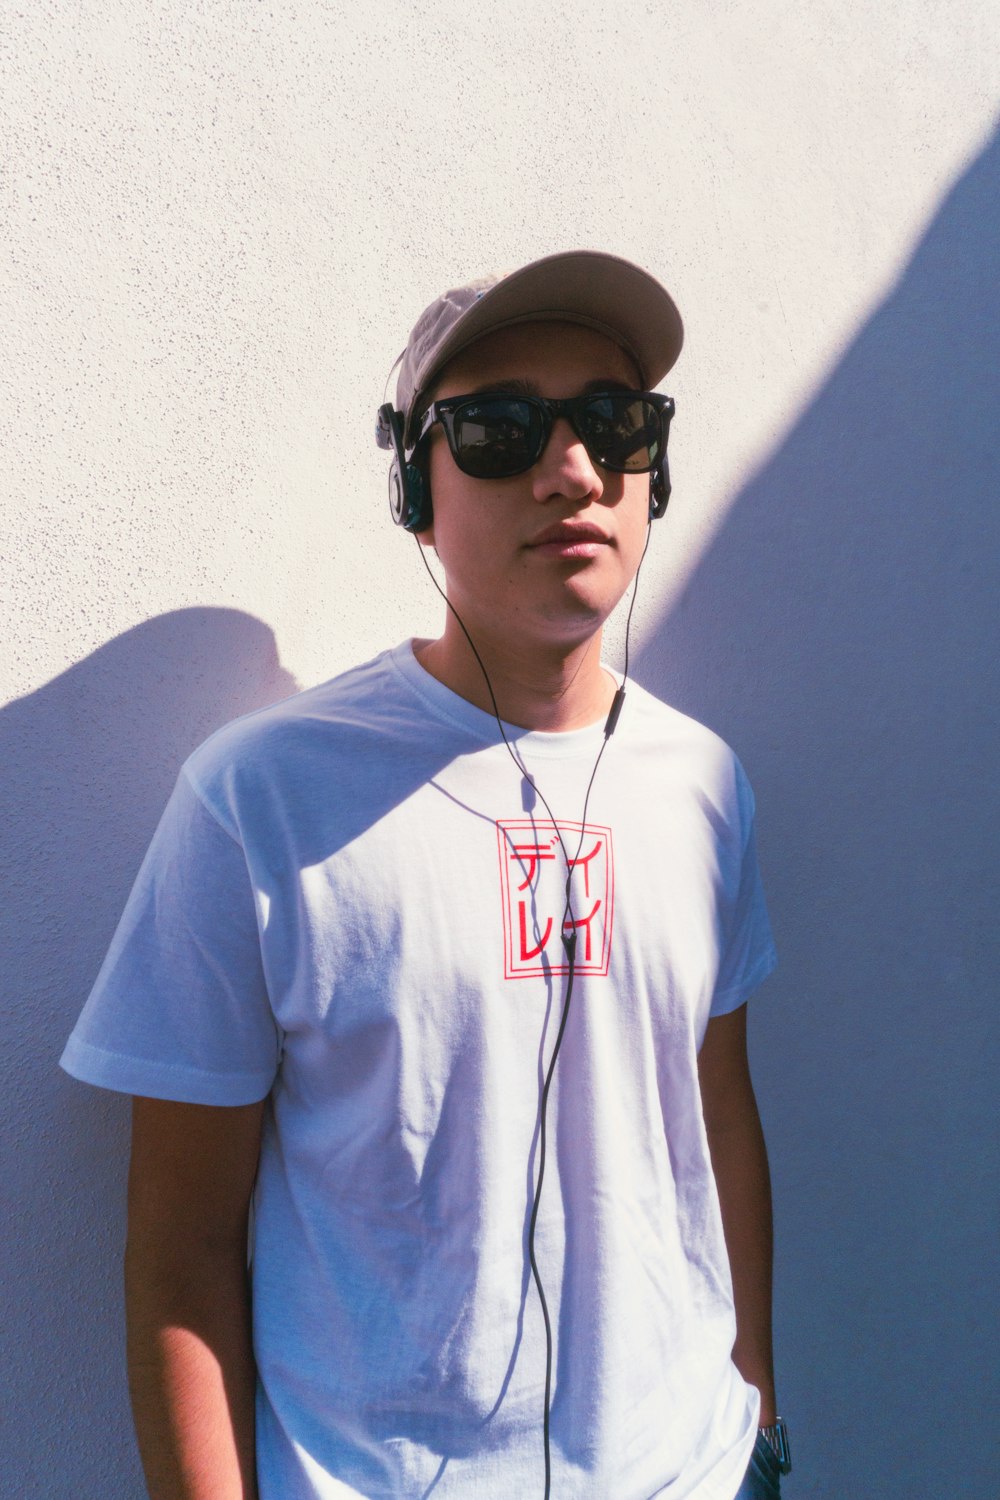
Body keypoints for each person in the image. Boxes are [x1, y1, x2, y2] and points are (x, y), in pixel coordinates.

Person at [61, 250, 791, 1499]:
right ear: (415, 486)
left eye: (613, 424)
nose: (570, 470)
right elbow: (179, 1249)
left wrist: (758, 1406)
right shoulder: (261, 801)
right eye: (501, 428)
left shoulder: (701, 782)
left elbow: (716, 1112)